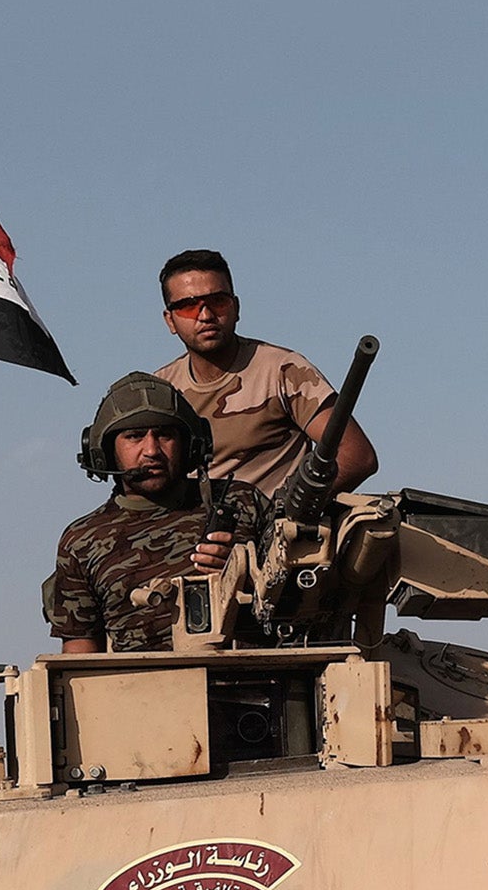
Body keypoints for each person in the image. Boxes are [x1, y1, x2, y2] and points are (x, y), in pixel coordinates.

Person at [44, 374, 267, 653]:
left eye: (165, 435)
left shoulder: (241, 502)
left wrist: (245, 570)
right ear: (104, 451)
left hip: (257, 676)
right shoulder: (82, 541)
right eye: (134, 436)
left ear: (191, 444)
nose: (151, 450)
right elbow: (80, 655)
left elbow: (307, 597)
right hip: (149, 690)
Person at [154, 249, 378, 496]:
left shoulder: (282, 371)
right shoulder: (159, 391)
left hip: (274, 527)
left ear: (236, 307)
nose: (205, 315)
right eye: (188, 307)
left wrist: (286, 513)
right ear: (170, 321)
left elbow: (356, 455)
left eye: (218, 301)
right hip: (189, 530)